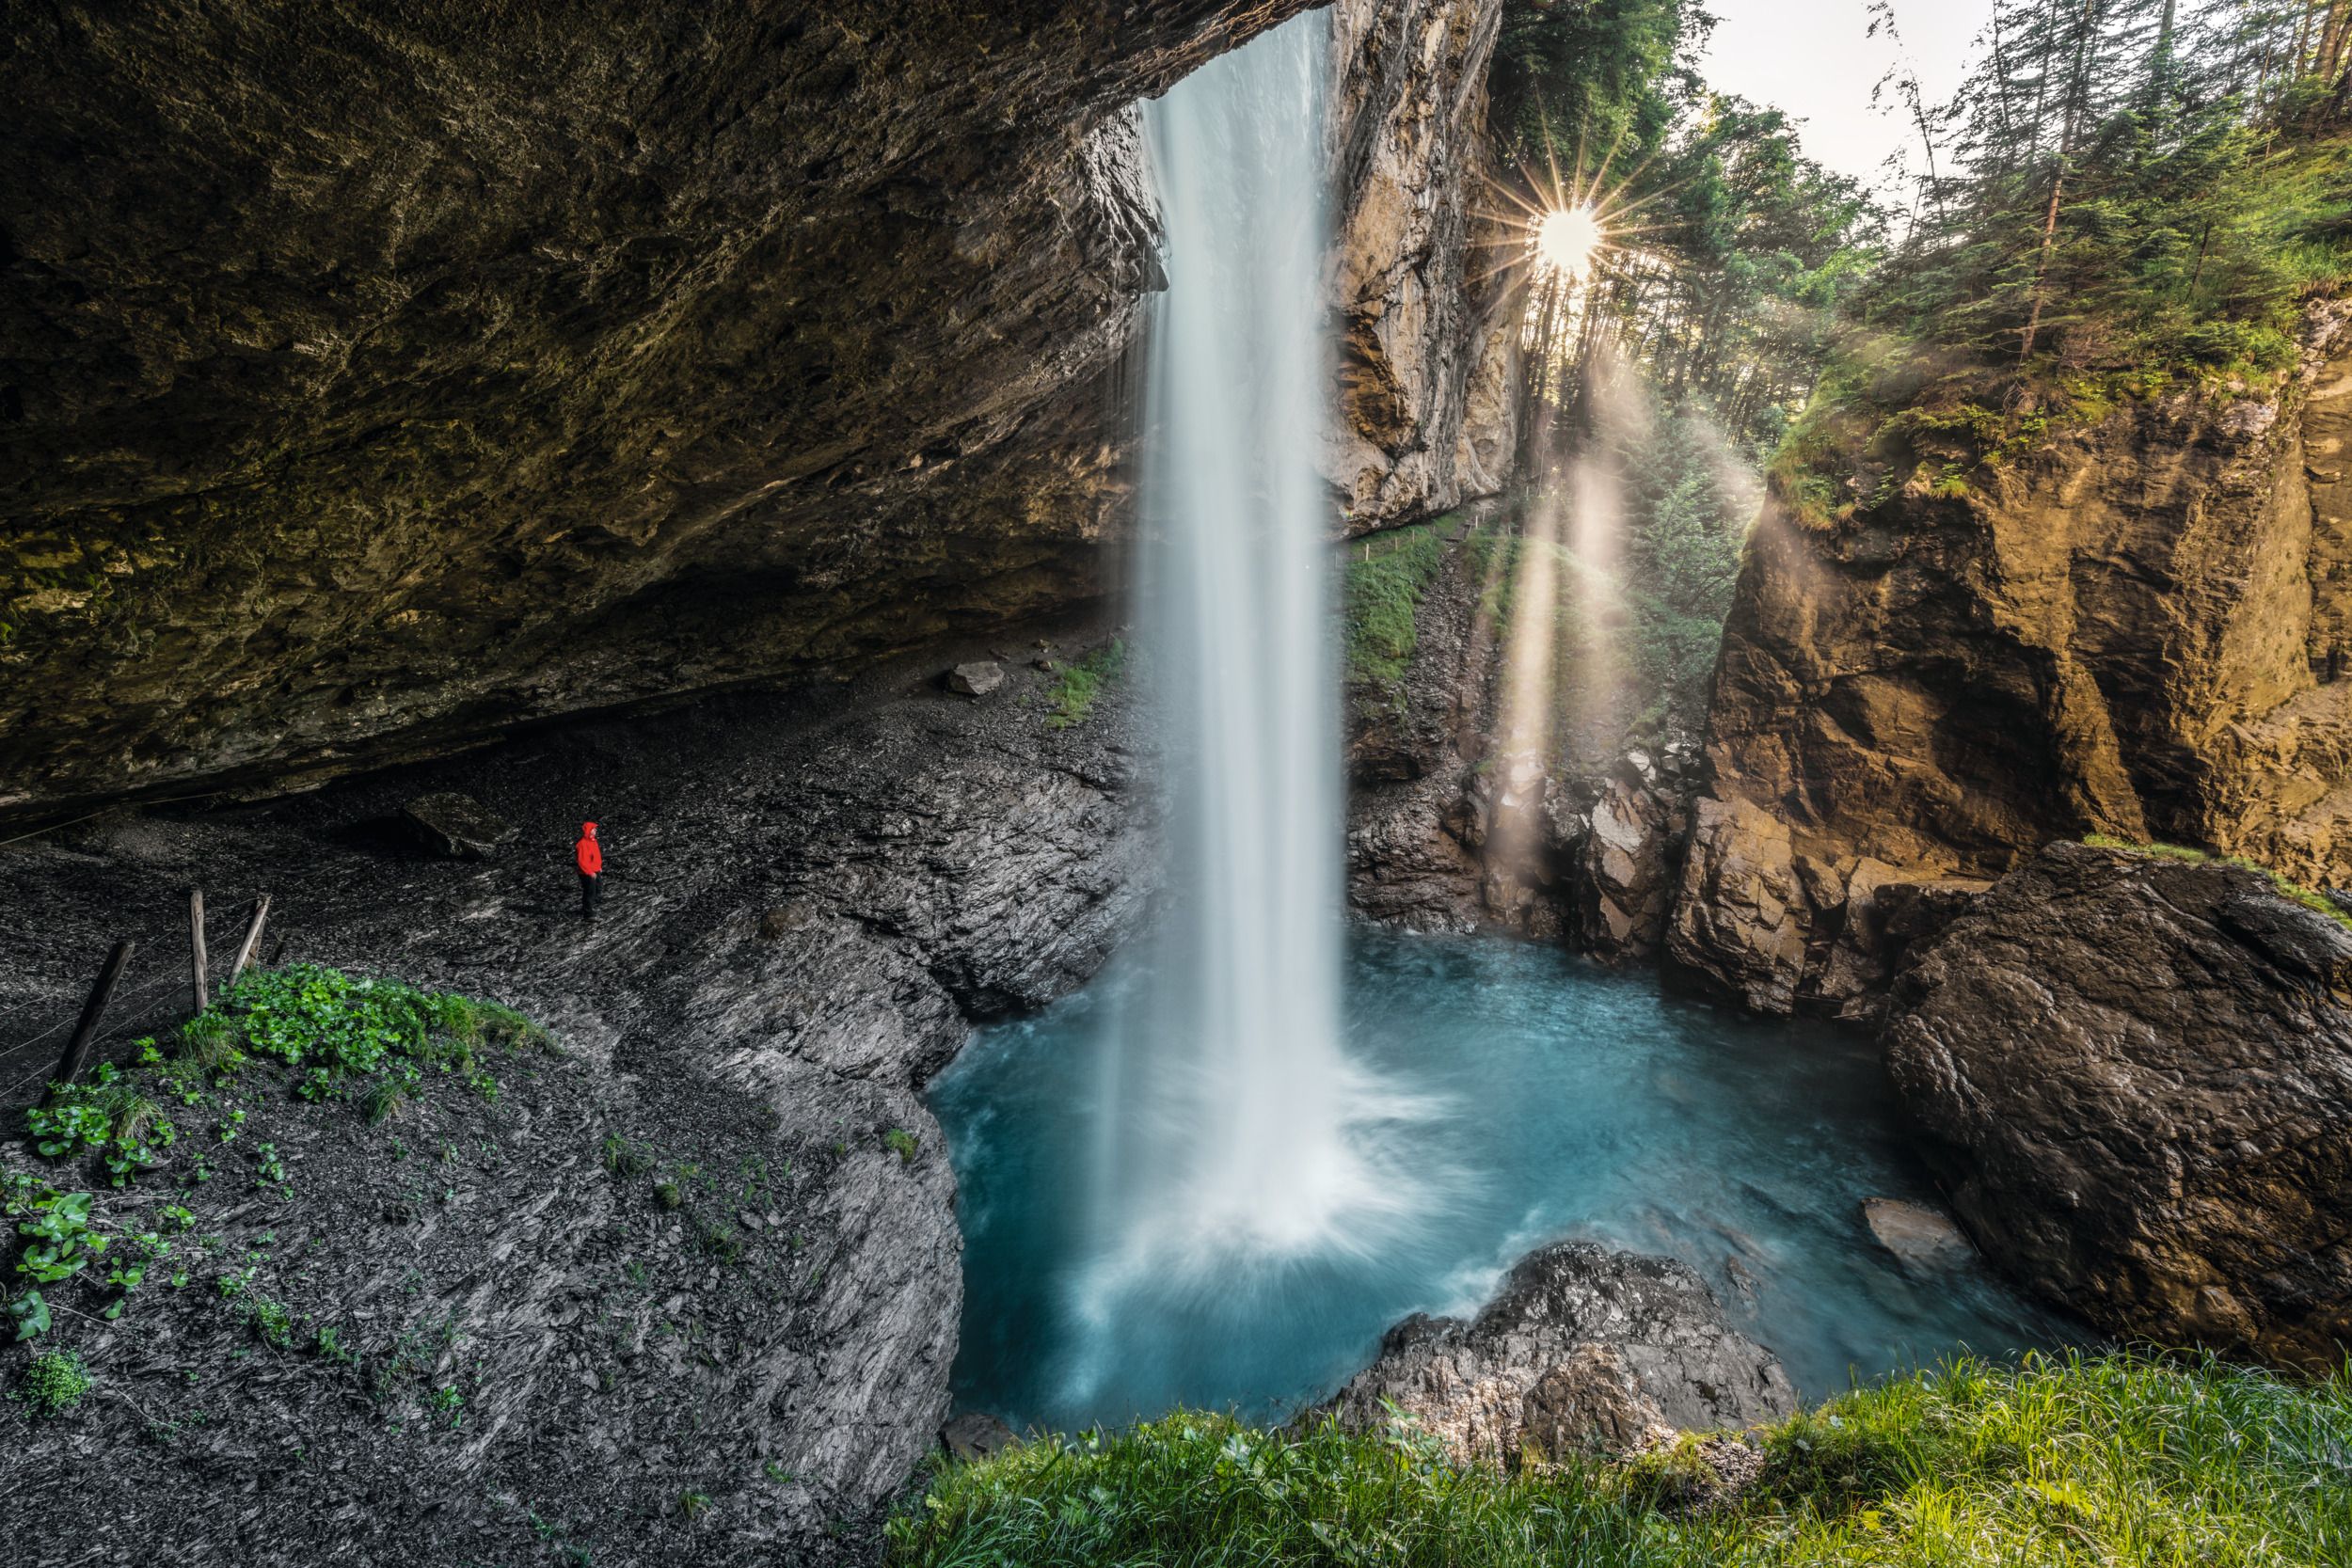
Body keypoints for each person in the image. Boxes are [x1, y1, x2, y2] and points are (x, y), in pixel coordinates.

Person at [575, 821, 603, 920]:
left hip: (595, 870)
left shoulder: (593, 841)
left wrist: (598, 867)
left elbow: (596, 856)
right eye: (593, 829)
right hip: (587, 872)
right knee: (589, 892)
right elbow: (582, 861)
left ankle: (588, 908)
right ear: (589, 830)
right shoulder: (582, 844)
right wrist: (590, 872)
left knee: (597, 889)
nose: (595, 830)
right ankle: (588, 914)